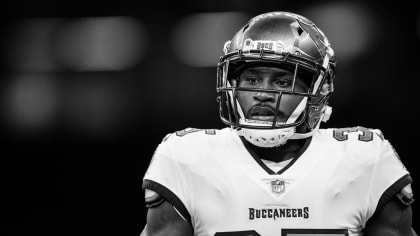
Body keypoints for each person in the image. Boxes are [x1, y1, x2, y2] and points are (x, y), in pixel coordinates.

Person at [140, 11, 417, 236]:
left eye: (282, 82)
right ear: (232, 85)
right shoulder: (186, 157)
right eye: (251, 80)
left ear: (318, 89)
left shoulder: (364, 158)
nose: (262, 93)